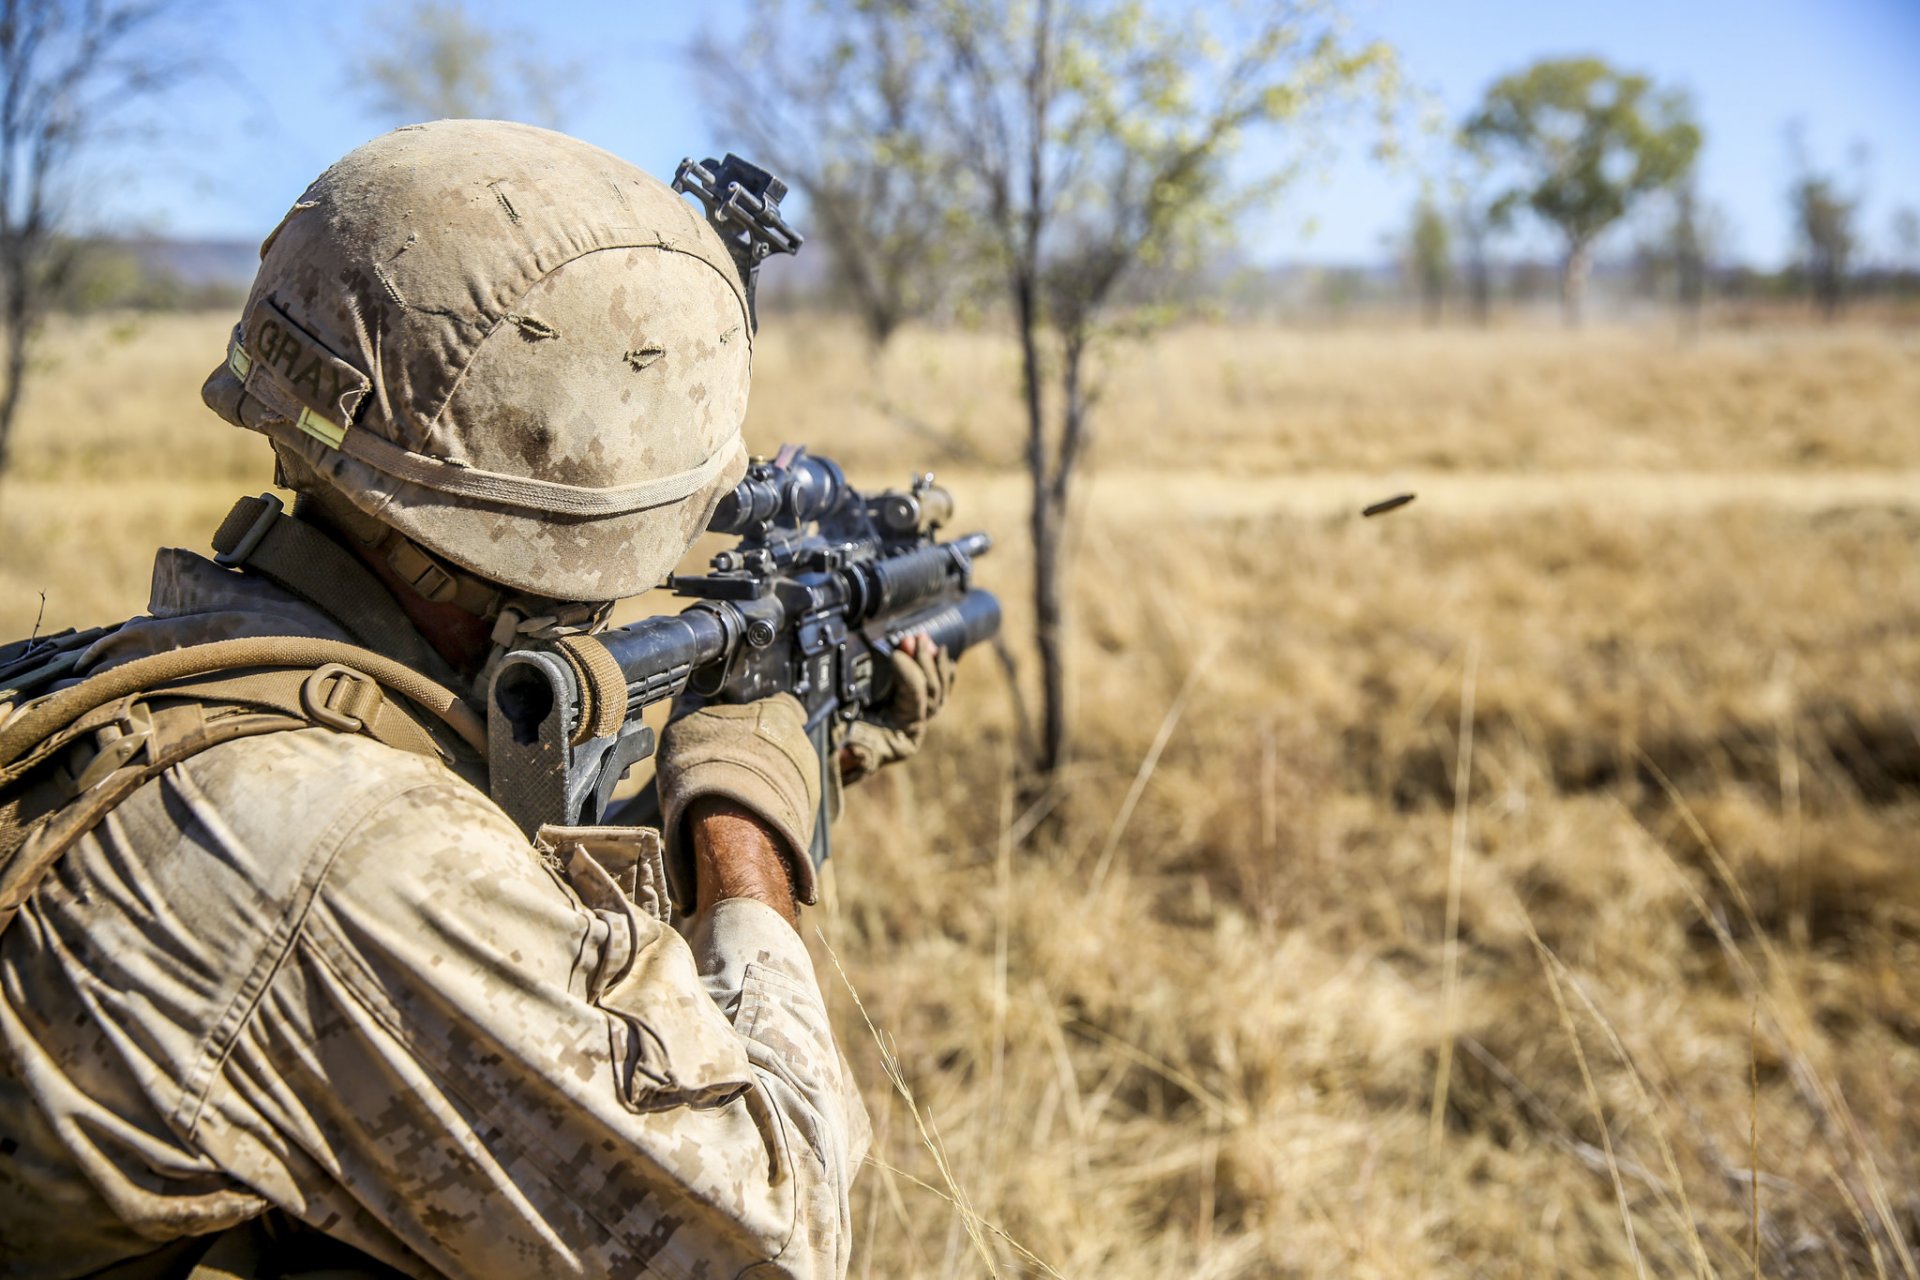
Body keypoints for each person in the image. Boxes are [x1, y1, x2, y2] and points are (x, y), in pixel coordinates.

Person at [0, 120, 950, 1278]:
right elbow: (774, 1241)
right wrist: (746, 827)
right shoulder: (346, 842)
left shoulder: (169, 675)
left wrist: (807, 747)